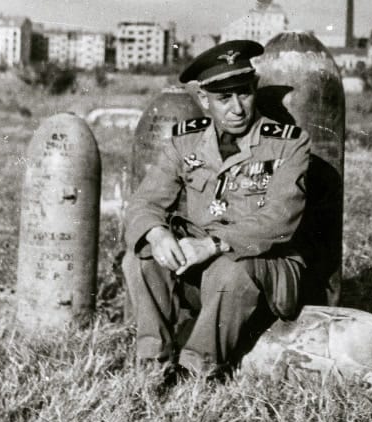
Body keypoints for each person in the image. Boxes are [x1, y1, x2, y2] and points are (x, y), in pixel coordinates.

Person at [122, 40, 311, 381]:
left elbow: (280, 219)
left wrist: (212, 244)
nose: (237, 108)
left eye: (244, 94)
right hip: (202, 268)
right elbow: (144, 202)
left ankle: (198, 370)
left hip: (266, 268)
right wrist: (158, 233)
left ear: (254, 89)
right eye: (224, 99)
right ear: (204, 100)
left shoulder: (289, 143)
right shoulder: (186, 142)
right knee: (141, 257)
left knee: (229, 271)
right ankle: (153, 365)